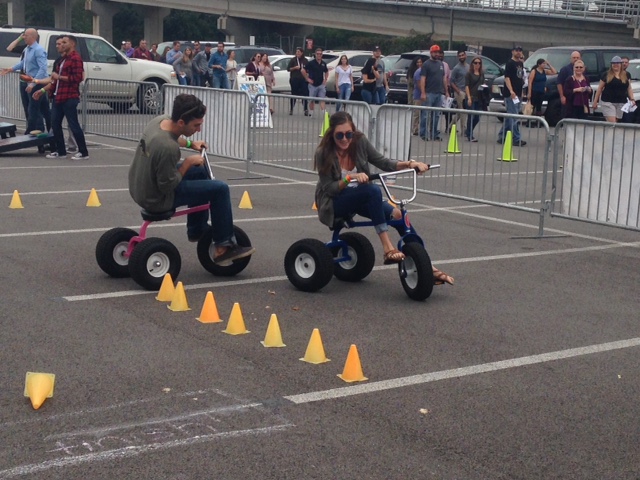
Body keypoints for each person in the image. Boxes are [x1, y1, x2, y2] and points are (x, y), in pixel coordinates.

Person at [313, 111, 454, 284]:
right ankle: (388, 248)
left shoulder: (359, 142)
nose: (345, 139)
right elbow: (330, 189)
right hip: (334, 202)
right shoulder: (323, 153)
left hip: (361, 197)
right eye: (339, 135)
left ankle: (427, 267)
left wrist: (411, 164)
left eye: (348, 134)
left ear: (353, 132)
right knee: (373, 190)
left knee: (398, 215)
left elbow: (383, 162)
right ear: (331, 134)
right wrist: (349, 178)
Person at [129, 93, 255, 264]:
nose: (199, 130)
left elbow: (173, 137)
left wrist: (190, 144)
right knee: (220, 189)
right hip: (156, 198)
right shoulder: (168, 148)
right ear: (181, 122)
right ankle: (223, 247)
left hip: (140, 184)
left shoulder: (160, 122)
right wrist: (187, 163)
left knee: (199, 171)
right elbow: (167, 186)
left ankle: (197, 229)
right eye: (196, 125)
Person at [34, 35, 89, 160]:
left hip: (69, 96)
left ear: (72, 44)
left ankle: (83, 152)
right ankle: (61, 151)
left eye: (64, 42)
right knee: (55, 124)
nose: (62, 45)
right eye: (60, 43)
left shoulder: (75, 58)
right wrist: (44, 90)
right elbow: (54, 80)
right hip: (58, 96)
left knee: (73, 124)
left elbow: (77, 78)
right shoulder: (63, 59)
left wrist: (59, 77)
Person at [0, 28, 50, 139]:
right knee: (35, 107)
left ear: (32, 37)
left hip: (37, 82)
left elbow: (42, 69)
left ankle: (33, 130)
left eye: (26, 35)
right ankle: (38, 130)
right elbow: (23, 63)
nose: (24, 37)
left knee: (34, 108)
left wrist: (32, 84)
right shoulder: (27, 49)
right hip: (26, 81)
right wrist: (10, 69)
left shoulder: (38, 50)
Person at [497, 45, 526, 146]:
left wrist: (521, 91)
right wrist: (511, 91)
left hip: (518, 93)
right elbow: (507, 78)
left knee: (510, 116)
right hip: (510, 94)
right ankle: (516, 138)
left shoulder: (520, 63)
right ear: (512, 52)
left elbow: (520, 78)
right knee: (514, 116)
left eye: (520, 50)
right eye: (516, 50)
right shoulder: (510, 63)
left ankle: (502, 136)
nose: (518, 52)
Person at [592, 56, 636, 123]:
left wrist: (632, 99)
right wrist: (595, 102)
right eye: (613, 63)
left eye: (617, 63)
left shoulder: (627, 74)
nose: (615, 65)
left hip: (621, 102)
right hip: (608, 101)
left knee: (615, 123)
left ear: (620, 64)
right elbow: (600, 88)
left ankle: (609, 130)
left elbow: (629, 88)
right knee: (612, 122)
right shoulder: (606, 74)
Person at [419, 45, 448, 141]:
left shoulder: (441, 64)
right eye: (435, 52)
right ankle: (423, 133)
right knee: (425, 115)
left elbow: (444, 78)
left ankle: (434, 133)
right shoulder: (426, 64)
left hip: (439, 93)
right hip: (429, 92)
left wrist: (446, 91)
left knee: (436, 115)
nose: (437, 54)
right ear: (431, 53)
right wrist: (423, 92)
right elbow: (423, 79)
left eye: (438, 52)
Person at [465, 56, 485, 142]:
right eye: (475, 63)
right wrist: (469, 97)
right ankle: (470, 135)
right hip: (471, 97)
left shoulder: (481, 74)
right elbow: (467, 86)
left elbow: (482, 84)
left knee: (477, 117)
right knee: (471, 117)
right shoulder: (469, 74)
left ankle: (468, 130)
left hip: (479, 98)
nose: (477, 65)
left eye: (479, 63)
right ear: (472, 64)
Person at [304, 47, 329, 117]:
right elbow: (303, 70)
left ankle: (324, 114)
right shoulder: (311, 63)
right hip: (312, 85)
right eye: (317, 54)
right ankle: (311, 113)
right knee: (312, 100)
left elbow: (326, 71)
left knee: (322, 99)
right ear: (315, 54)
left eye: (320, 54)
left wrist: (325, 79)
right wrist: (307, 79)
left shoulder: (323, 63)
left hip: (321, 84)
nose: (319, 55)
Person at [449, 49, 469, 135]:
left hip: (467, 92)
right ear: (458, 57)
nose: (461, 57)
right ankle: (463, 130)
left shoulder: (468, 67)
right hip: (460, 92)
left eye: (462, 55)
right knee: (463, 111)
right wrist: (458, 91)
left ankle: (451, 126)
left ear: (465, 56)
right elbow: (451, 81)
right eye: (460, 56)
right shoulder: (456, 68)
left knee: (460, 111)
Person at [557, 51, 581, 119]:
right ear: (570, 59)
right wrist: (562, 96)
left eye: (577, 57)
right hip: (568, 98)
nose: (576, 59)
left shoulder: (583, 70)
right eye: (574, 58)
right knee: (567, 116)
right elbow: (559, 83)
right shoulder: (564, 70)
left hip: (579, 99)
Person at [287, 48, 309, 115]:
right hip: (294, 79)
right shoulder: (293, 60)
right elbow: (288, 69)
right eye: (296, 52)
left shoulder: (305, 60)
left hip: (303, 80)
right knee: (293, 94)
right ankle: (291, 109)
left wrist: (307, 75)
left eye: (299, 52)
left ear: (302, 53)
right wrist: (294, 68)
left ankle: (305, 109)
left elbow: (308, 69)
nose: (297, 53)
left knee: (305, 94)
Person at [411, 57, 424, 136]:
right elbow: (419, 84)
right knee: (417, 114)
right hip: (418, 95)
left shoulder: (423, 71)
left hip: (422, 95)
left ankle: (421, 129)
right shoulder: (418, 72)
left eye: (420, 62)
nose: (419, 64)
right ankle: (415, 129)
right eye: (418, 62)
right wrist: (423, 92)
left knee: (423, 114)